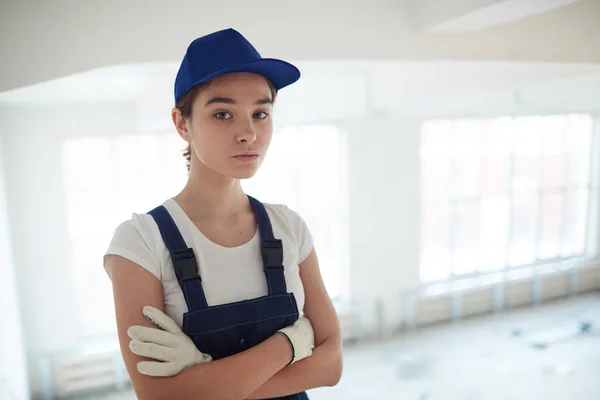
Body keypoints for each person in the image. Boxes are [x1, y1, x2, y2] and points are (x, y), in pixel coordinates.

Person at [103, 28, 343, 400]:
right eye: (222, 114)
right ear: (182, 124)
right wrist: (292, 343)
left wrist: (206, 378)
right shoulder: (140, 242)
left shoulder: (288, 228)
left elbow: (331, 366)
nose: (248, 133)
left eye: (260, 113)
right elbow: (159, 396)